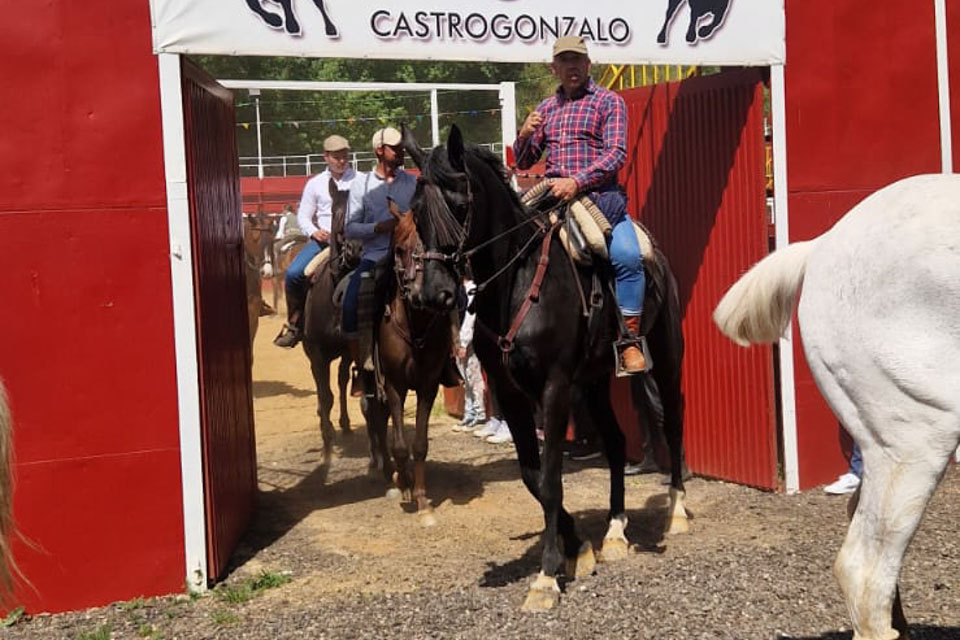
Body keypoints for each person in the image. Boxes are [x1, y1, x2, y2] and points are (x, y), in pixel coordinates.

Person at [513, 35, 646, 373]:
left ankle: (629, 341)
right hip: (551, 197)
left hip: (599, 198)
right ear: (554, 68)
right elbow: (524, 161)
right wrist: (524, 134)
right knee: (513, 244)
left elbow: (616, 154)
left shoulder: (609, 102)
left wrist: (577, 181)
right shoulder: (545, 109)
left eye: (577, 60)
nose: (571, 66)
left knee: (628, 256)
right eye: (565, 60)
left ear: (588, 64)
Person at [341, 127, 417, 390]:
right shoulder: (361, 185)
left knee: (447, 293)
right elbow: (350, 228)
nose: (400, 151)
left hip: (411, 257)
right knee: (351, 303)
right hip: (374, 257)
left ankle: (447, 359)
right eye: (394, 148)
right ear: (379, 150)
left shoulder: (412, 183)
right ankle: (361, 367)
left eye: (401, 147)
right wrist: (378, 227)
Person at [274, 134, 358, 348]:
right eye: (336, 157)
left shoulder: (360, 180)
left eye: (344, 155)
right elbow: (303, 216)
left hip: (356, 241)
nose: (341, 160)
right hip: (324, 242)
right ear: (326, 157)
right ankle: (295, 324)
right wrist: (313, 232)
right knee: (293, 274)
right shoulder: (315, 184)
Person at [453, 278, 487, 433]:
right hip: (458, 339)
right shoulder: (458, 288)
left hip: (468, 340)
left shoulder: (471, 288)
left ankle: (480, 414)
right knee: (466, 378)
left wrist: (464, 342)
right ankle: (470, 413)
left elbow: (470, 317)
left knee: (473, 376)